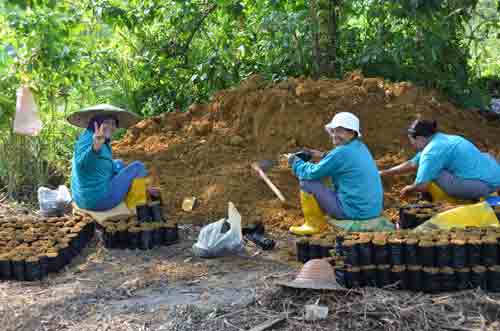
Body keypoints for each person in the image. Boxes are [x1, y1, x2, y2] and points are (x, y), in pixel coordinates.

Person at [287, 112, 384, 235]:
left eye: (340, 131)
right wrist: (321, 155)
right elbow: (340, 159)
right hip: (372, 210)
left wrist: (295, 162)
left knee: (307, 182)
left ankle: (313, 225)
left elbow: (312, 173)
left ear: (352, 132)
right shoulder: (360, 147)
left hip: (354, 212)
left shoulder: (340, 153)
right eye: (333, 131)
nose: (334, 135)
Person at [380, 119, 500, 201]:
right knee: (429, 166)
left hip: (481, 187)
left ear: (420, 138)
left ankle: (430, 200)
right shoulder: (443, 139)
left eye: (412, 141)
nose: (412, 145)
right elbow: (412, 163)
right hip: (495, 178)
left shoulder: (431, 152)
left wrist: (408, 189)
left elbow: (422, 186)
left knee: (431, 171)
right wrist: (385, 173)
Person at [68, 104, 152, 211]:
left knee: (118, 163)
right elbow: (82, 164)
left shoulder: (87, 136)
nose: (111, 127)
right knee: (138, 167)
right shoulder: (94, 141)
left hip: (82, 199)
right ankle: (136, 209)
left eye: (113, 124)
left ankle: (132, 189)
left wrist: (143, 186)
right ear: (96, 123)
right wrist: (95, 148)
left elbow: (103, 163)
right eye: (106, 122)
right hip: (98, 201)